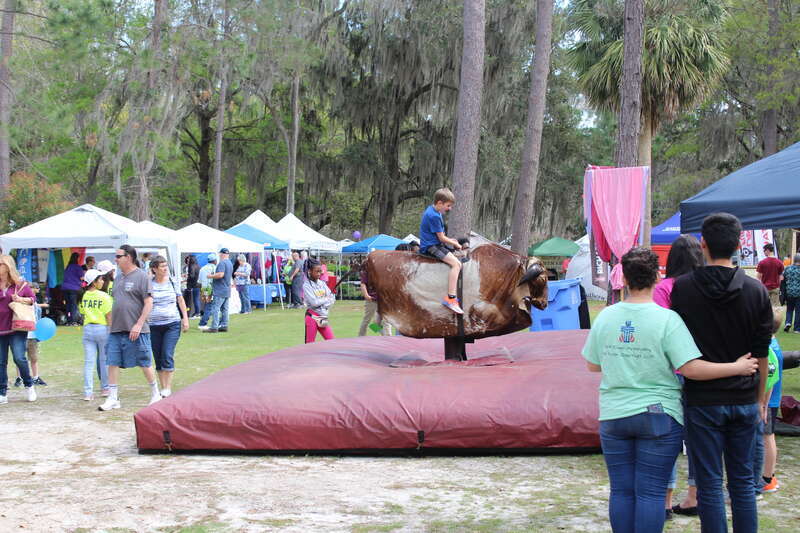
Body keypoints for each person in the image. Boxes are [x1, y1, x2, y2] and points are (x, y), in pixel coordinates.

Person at [582, 247, 758, 533]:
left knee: (622, 491)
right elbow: (691, 368)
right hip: (659, 414)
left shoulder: (606, 317)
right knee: (650, 493)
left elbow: (592, 365)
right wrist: (736, 368)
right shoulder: (667, 320)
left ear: (623, 279)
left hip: (614, 414)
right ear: (657, 277)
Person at [671, 213, 773, 533]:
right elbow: (761, 353)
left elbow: (680, 345)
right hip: (744, 397)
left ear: (703, 244)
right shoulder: (756, 292)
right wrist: (759, 401)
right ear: (739, 244)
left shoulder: (683, 290)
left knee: (710, 485)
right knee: (743, 484)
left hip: (702, 400)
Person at [651, 235, 704, 518]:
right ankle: (694, 496)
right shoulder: (707, 287)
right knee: (699, 437)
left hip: (671, 371)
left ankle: (665, 501)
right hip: (705, 370)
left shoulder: (665, 288)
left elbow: (659, 330)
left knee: (667, 436)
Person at [98, 245, 160, 411]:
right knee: (112, 361)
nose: (115, 259)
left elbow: (149, 303)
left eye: (118, 256)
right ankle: (113, 398)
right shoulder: (117, 278)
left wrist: (139, 324)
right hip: (117, 329)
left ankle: (155, 392)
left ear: (129, 257)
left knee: (144, 361)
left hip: (137, 329)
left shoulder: (142, 277)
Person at [148, 256, 189, 398]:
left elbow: (180, 299)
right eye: (161, 266)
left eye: (166, 265)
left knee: (167, 353)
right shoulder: (149, 284)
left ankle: (167, 387)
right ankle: (163, 386)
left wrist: (185, 318)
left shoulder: (172, 281)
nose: (165, 269)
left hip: (172, 323)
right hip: (153, 325)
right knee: (158, 356)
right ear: (154, 269)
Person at [419, 187, 463, 314]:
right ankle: (451, 299)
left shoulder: (433, 210)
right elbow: (441, 237)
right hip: (431, 246)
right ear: (439, 203)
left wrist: (451, 241)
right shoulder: (434, 216)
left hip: (433, 243)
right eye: (448, 206)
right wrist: (455, 243)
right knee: (457, 264)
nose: (450, 209)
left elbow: (441, 236)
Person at [0, 255, 37, 404]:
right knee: (0, 361)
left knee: (19, 358)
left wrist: (20, 299)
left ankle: (29, 384)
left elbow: (32, 299)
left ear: (7, 267)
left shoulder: (20, 284)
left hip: (17, 327)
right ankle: (2, 392)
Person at [79, 269, 112, 401]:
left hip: (88, 329)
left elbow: (82, 312)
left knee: (89, 362)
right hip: (102, 328)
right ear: (94, 281)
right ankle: (105, 388)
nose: (103, 281)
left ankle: (88, 392)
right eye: (100, 279)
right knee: (104, 361)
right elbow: (109, 316)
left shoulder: (84, 295)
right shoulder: (104, 296)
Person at [761, 308, 784, 493]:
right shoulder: (774, 345)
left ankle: (767, 478)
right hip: (771, 400)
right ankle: (768, 475)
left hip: (768, 401)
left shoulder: (769, 349)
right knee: (768, 437)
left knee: (767, 437)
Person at [304, 258, 335, 343]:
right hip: (312, 317)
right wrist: (326, 299)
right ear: (310, 271)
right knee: (309, 345)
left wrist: (325, 303)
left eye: (320, 271)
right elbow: (314, 303)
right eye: (317, 271)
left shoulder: (322, 283)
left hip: (322, 316)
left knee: (332, 341)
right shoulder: (306, 285)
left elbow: (332, 298)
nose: (319, 274)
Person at [202, 248, 233, 333]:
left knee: (215, 308)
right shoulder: (230, 263)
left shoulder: (222, 263)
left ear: (222, 254)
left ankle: (214, 327)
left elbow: (220, 275)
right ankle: (224, 325)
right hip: (227, 289)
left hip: (220, 289)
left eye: (220, 254)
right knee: (225, 309)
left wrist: (210, 276)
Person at [358, 261, 390, 336]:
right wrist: (366, 295)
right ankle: (361, 337)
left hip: (383, 300)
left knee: (385, 321)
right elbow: (363, 284)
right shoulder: (366, 272)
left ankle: (388, 337)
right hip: (371, 299)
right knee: (367, 320)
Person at [62, 252, 85, 325]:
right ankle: (73, 321)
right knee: (74, 305)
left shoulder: (67, 267)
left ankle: (68, 320)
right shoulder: (77, 267)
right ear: (77, 259)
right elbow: (82, 278)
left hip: (65, 288)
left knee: (68, 305)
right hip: (74, 288)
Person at [197, 254, 217, 329]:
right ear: (215, 260)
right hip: (211, 289)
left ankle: (204, 321)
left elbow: (199, 281)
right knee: (209, 306)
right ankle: (202, 323)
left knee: (207, 305)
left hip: (204, 289)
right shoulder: (215, 268)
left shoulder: (202, 268)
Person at [782, 253, 800, 333]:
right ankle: (797, 328)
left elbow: (783, 279)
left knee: (789, 309)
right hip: (799, 293)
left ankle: (788, 323)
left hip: (789, 292)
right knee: (798, 311)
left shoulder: (787, 268)